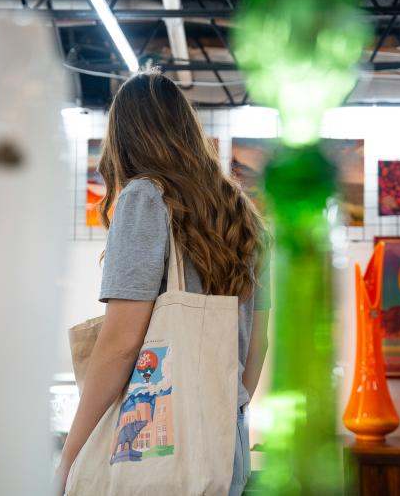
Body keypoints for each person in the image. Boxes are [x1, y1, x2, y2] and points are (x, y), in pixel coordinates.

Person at [57, 69, 270, 495]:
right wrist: (218, 408)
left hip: (155, 445)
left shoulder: (143, 198)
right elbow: (257, 343)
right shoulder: (245, 216)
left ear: (123, 138)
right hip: (227, 443)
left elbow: (120, 345)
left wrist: (69, 457)